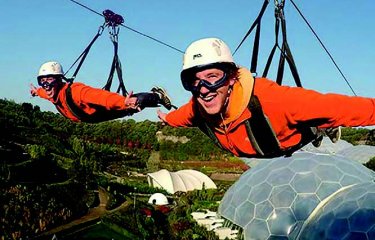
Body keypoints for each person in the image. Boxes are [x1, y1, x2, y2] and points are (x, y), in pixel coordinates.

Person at [157, 37, 375, 158]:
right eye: (193, 81)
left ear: (232, 77)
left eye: (213, 77)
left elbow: (348, 108)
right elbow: (179, 117)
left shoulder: (276, 101)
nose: (203, 89)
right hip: (264, 144)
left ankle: (321, 127)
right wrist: (167, 118)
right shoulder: (197, 108)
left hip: (289, 138)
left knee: (319, 115)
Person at [31, 61, 172, 123]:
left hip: (101, 110)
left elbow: (101, 97)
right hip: (93, 117)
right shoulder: (52, 94)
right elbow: (44, 93)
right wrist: (36, 91)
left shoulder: (75, 92)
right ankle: (152, 99)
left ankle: (157, 95)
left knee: (130, 105)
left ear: (59, 80)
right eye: (42, 82)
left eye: (49, 80)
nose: (46, 86)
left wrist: (122, 101)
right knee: (130, 108)